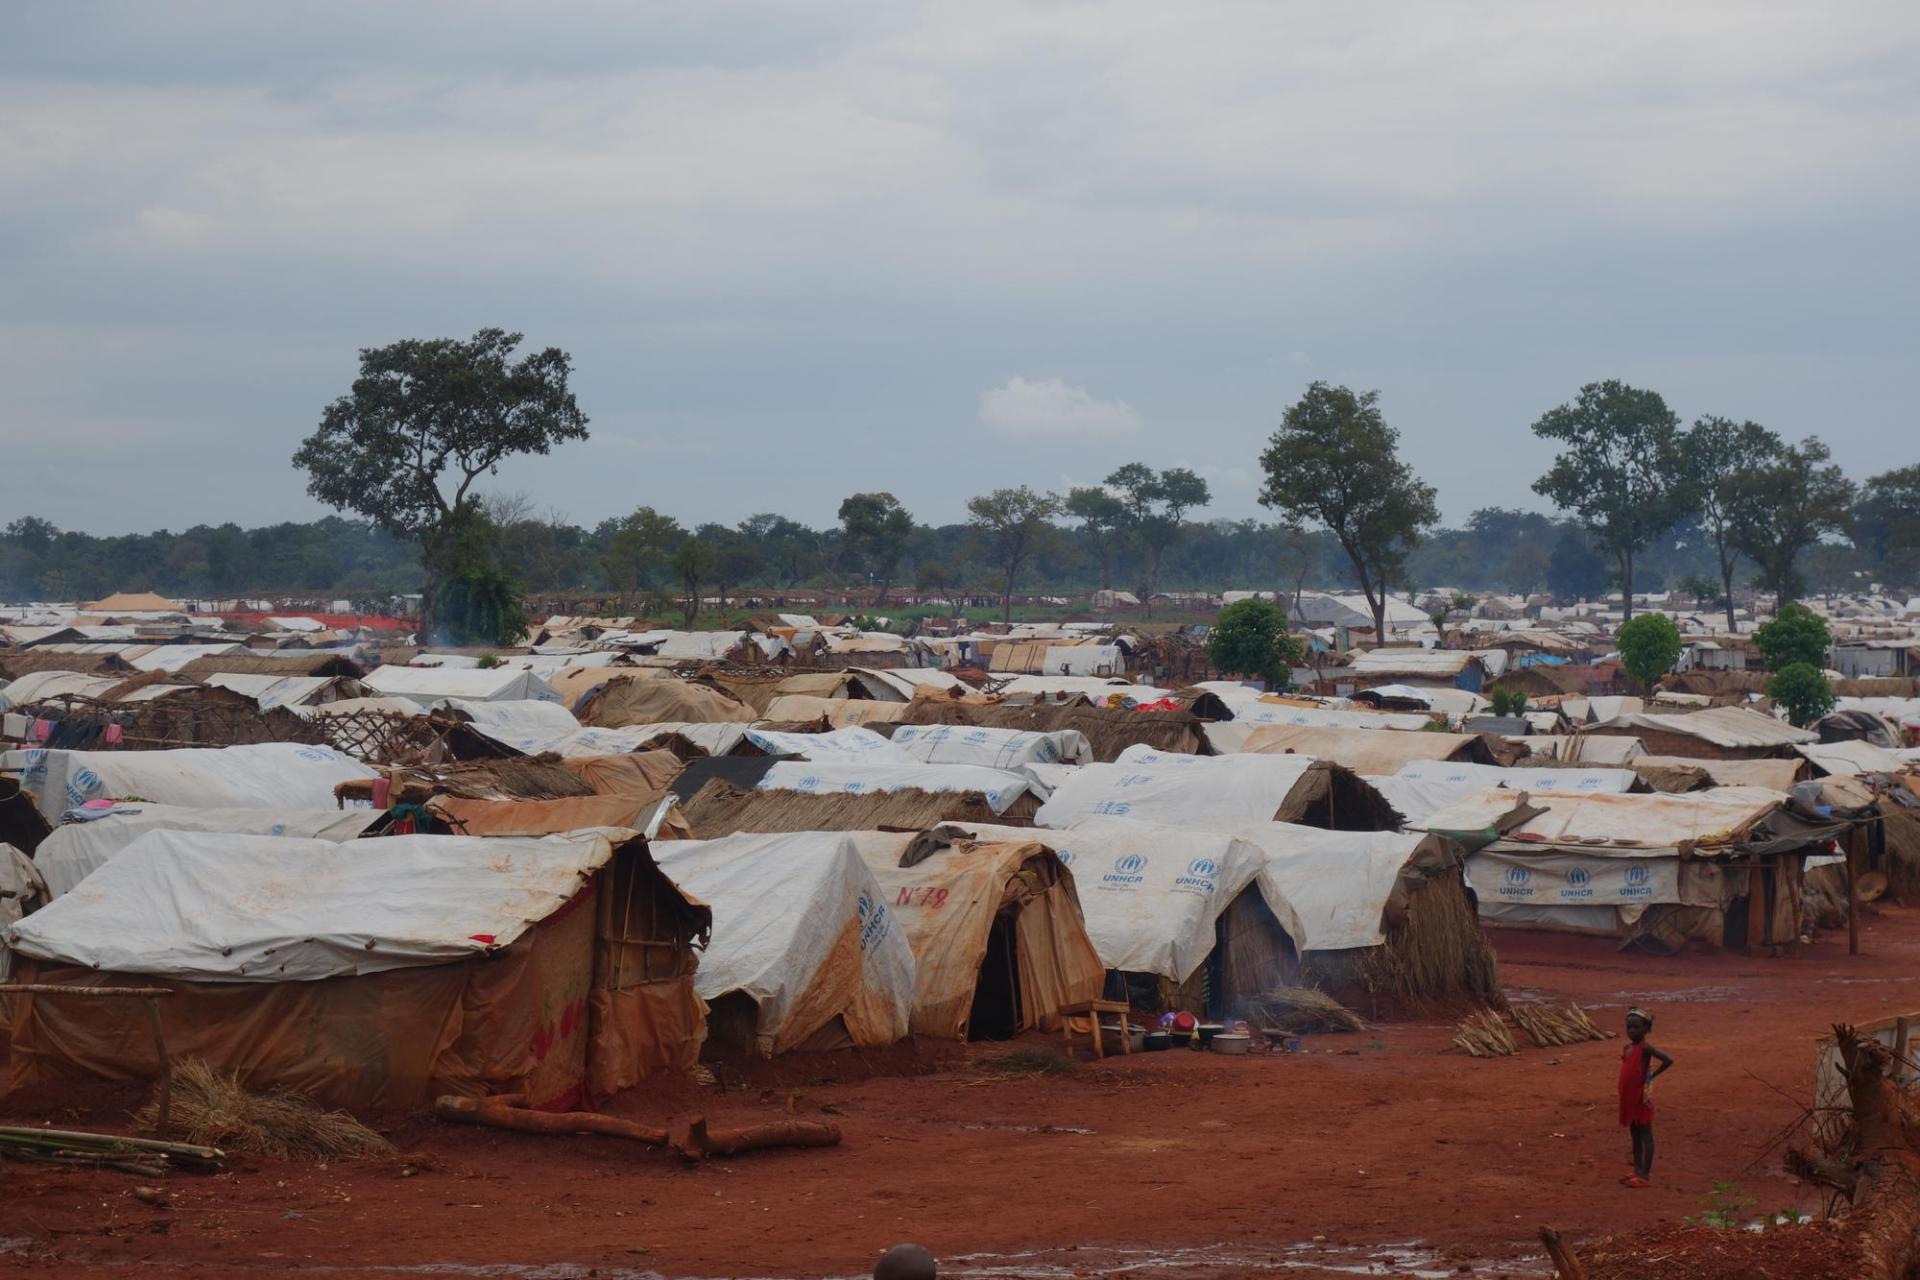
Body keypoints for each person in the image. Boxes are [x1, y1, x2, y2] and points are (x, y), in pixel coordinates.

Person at [1618, 1007, 1673, 1188]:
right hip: (1629, 1097)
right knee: (1635, 1134)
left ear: (1646, 1030)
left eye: (1637, 1028)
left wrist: (1652, 1075)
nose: (1632, 1031)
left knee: (1645, 1134)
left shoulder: (1645, 1047)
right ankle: (1637, 1170)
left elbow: (1667, 1060)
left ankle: (1644, 1175)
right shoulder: (1628, 1048)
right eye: (1629, 1028)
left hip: (1641, 1097)